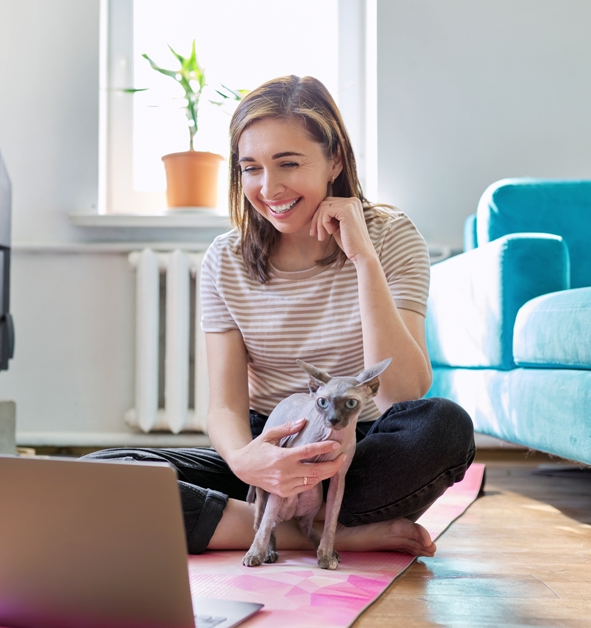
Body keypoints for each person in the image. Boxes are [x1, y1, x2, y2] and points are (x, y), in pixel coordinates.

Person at [84, 75, 475, 557]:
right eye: (251, 168)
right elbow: (225, 407)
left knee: (444, 427)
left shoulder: (391, 237)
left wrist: (364, 260)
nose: (268, 188)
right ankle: (302, 531)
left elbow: (403, 393)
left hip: (355, 451)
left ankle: (262, 522)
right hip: (269, 444)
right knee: (100, 471)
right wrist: (250, 462)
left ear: (334, 160)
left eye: (288, 163)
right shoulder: (225, 259)